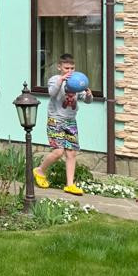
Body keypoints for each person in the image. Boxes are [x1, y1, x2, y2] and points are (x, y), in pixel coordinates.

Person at [33, 53, 92, 195]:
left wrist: (89, 95)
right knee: (58, 152)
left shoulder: (77, 81)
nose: (70, 71)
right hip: (55, 119)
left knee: (71, 153)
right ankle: (40, 170)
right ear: (59, 67)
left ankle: (70, 185)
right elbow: (52, 93)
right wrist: (61, 80)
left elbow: (87, 100)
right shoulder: (55, 80)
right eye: (66, 68)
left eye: (72, 68)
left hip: (70, 121)